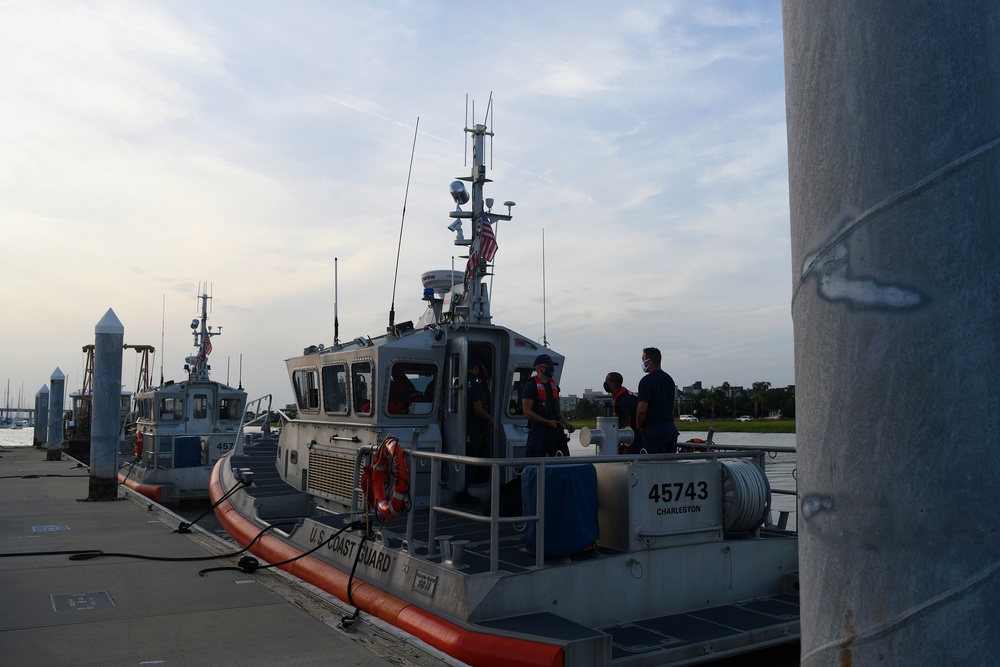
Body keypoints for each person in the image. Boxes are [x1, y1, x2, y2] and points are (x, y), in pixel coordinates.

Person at [521, 353, 575, 457]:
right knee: (534, 464)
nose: (551, 368)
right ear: (539, 368)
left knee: (563, 461)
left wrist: (566, 423)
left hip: (555, 432)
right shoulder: (530, 386)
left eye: (552, 366)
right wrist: (547, 422)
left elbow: (556, 410)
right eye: (549, 366)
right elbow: (527, 412)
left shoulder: (553, 386)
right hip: (538, 432)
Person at [457, 357, 493, 503]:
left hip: (460, 427)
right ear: (476, 368)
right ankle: (464, 492)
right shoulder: (476, 386)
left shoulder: (458, 383)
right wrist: (490, 418)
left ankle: (460, 489)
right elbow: (478, 410)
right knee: (471, 460)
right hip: (472, 428)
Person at [635, 347, 680, 454]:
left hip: (654, 431)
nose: (642, 363)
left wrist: (638, 425)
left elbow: (641, 409)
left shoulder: (646, 381)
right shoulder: (669, 379)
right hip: (670, 428)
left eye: (643, 360)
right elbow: (672, 405)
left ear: (649, 361)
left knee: (654, 465)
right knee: (669, 465)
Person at [603, 372, 641, 454]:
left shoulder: (622, 402)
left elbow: (628, 429)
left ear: (612, 385)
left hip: (635, 440)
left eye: (606, 381)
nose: (605, 383)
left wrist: (625, 450)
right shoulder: (625, 395)